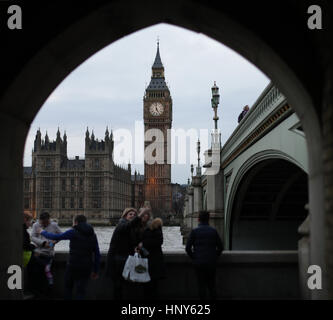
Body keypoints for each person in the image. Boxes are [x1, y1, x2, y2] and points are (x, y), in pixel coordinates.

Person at [36, 215, 101, 300]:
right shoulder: (93, 234)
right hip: (86, 266)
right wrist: (95, 270)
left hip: (73, 265)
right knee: (81, 291)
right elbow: (97, 254)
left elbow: (57, 237)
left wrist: (42, 232)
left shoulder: (73, 231)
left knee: (68, 288)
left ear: (76, 222)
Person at [105, 207, 150, 300]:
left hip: (127, 260)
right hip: (118, 261)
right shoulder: (121, 224)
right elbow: (127, 227)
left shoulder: (132, 228)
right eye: (130, 214)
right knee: (118, 286)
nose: (132, 216)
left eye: (134, 215)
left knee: (127, 287)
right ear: (125, 216)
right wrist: (140, 215)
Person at [185, 211, 223, 300]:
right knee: (212, 286)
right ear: (208, 219)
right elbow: (220, 247)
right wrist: (214, 256)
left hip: (199, 263)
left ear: (198, 219)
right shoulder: (213, 231)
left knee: (201, 286)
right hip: (211, 262)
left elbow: (187, 248)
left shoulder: (194, 231)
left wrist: (194, 257)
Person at [30, 211, 62, 297]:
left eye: (46, 223)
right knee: (38, 274)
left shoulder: (54, 225)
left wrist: (54, 242)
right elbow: (32, 237)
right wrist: (43, 243)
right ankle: (39, 292)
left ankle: (48, 292)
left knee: (47, 274)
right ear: (39, 220)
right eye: (42, 223)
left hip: (49, 254)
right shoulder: (35, 225)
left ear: (49, 220)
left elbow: (61, 235)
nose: (43, 225)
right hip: (38, 253)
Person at [140, 217, 166, 300]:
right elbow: (159, 242)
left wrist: (142, 244)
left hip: (148, 260)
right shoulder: (157, 231)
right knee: (153, 285)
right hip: (155, 260)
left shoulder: (148, 230)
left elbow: (155, 242)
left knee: (147, 285)